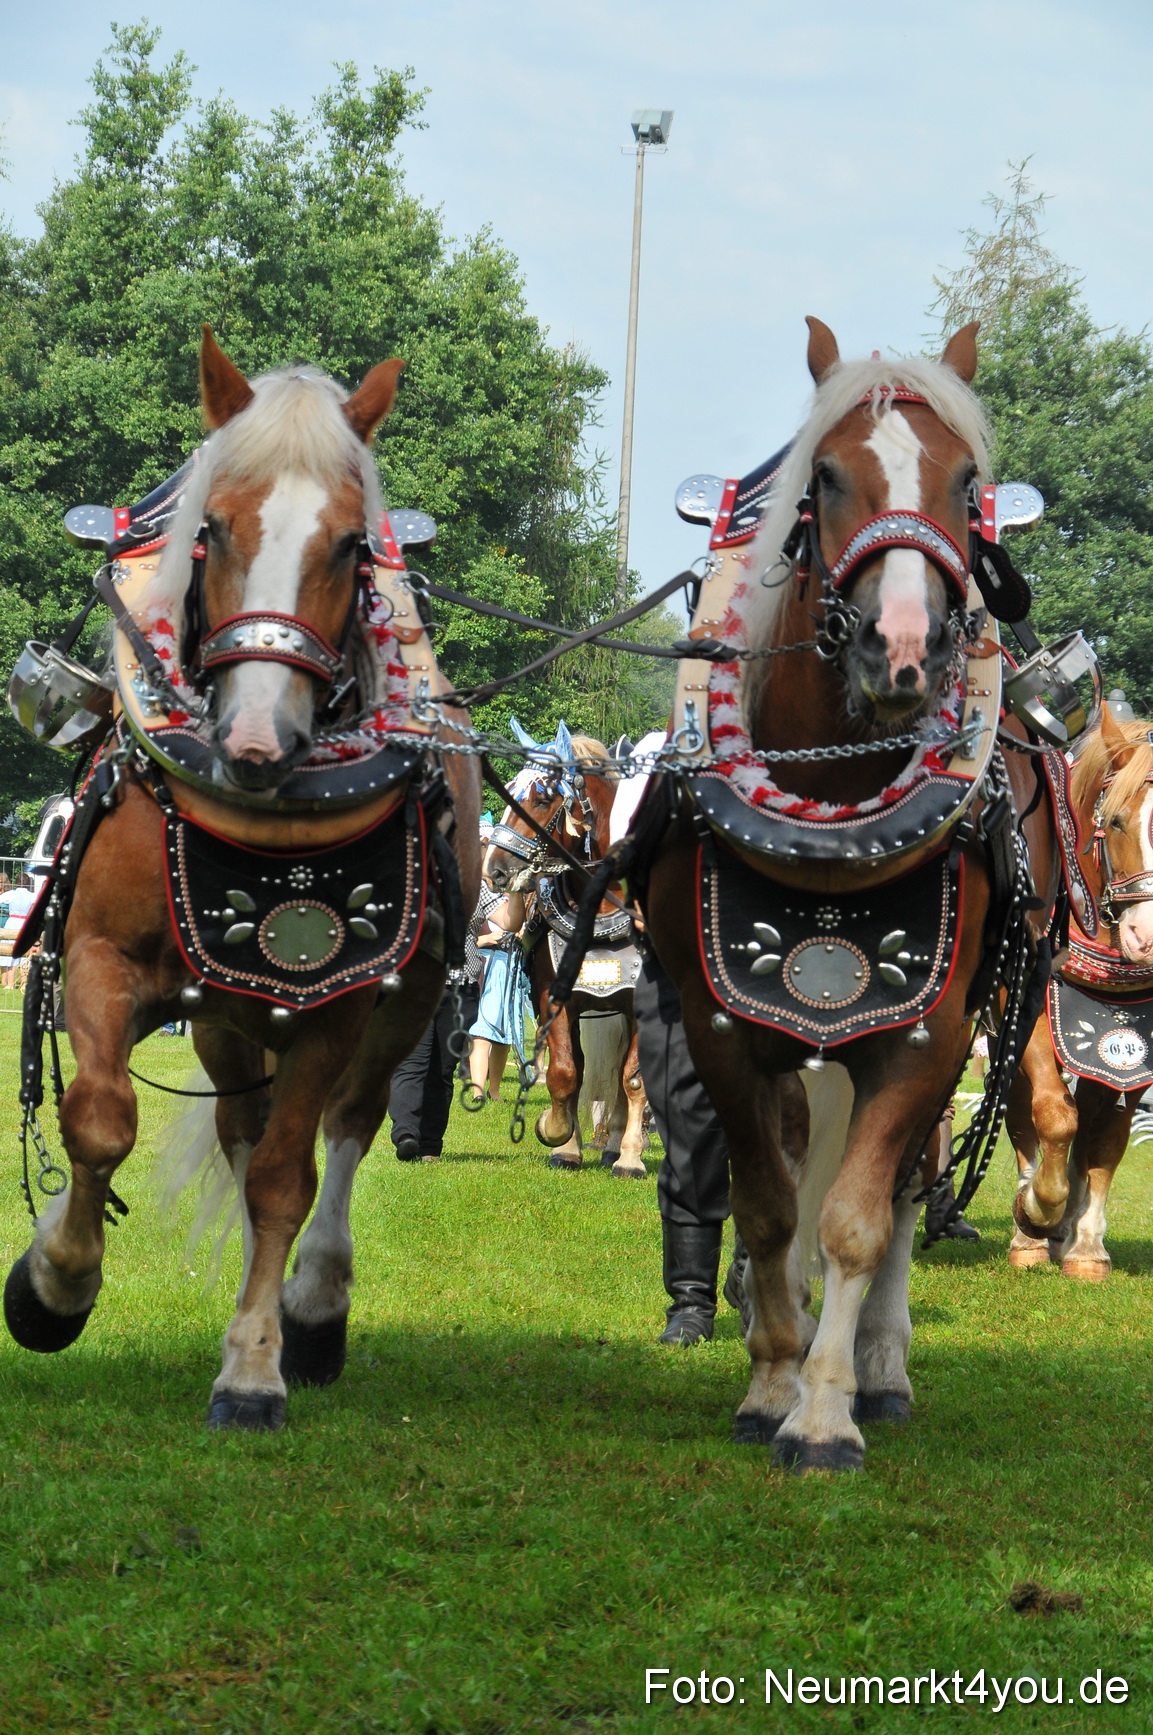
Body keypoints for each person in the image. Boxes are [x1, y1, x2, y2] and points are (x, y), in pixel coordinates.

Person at [387, 856, 491, 1163]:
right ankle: (406, 1134)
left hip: (461, 989)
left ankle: (430, 1146)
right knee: (411, 1064)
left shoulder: (477, 887)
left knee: (442, 1071)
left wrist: (515, 887)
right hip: (415, 987)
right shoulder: (406, 884)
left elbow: (509, 920)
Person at [467, 881, 530, 1100]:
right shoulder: (481, 895)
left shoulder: (517, 902)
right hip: (485, 966)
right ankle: (477, 1091)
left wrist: (523, 936)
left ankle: (494, 1090)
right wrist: (486, 939)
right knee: (481, 1032)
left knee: (505, 1035)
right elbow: (464, 940)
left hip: (511, 966)